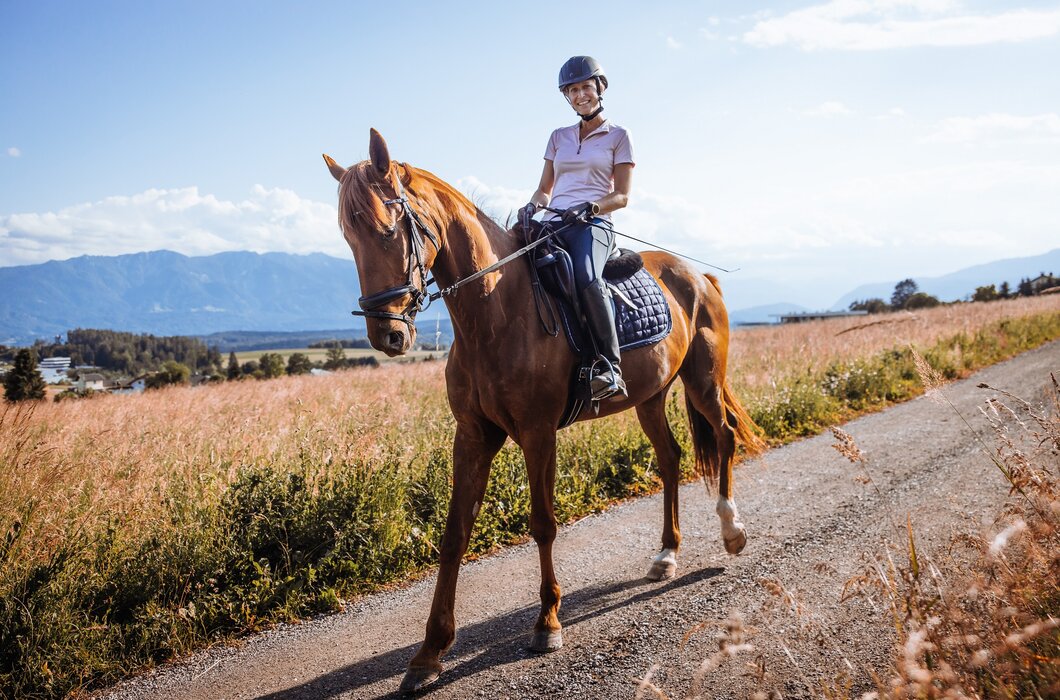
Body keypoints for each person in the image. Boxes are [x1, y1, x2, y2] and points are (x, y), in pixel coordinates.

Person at [519, 56, 635, 400]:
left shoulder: (619, 136)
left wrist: (592, 207)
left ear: (599, 88)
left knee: (586, 277)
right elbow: (545, 188)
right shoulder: (558, 137)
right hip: (554, 221)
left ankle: (611, 368)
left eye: (585, 87)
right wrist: (533, 205)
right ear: (567, 97)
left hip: (593, 224)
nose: (580, 95)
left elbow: (623, 196)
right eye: (572, 90)